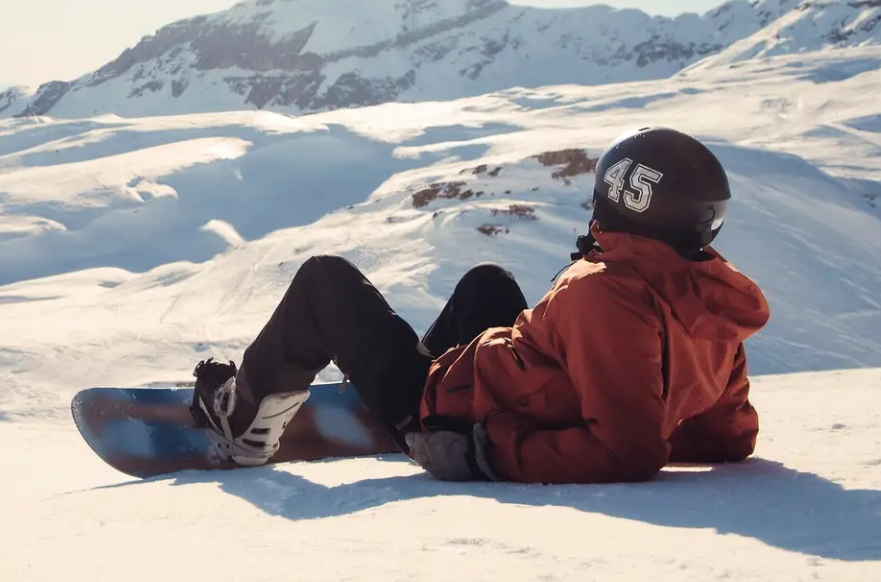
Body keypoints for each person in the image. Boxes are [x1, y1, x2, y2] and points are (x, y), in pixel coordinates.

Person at [190, 126, 771, 483]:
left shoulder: (601, 295)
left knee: (324, 280)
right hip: (508, 388)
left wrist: (484, 453)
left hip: (454, 418)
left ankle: (243, 424)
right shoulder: (712, 300)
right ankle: (382, 390)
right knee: (487, 282)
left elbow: (628, 452)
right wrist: (648, 423)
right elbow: (727, 437)